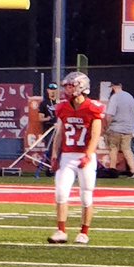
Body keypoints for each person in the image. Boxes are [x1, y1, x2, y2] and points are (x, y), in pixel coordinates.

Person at [49, 71, 105, 245]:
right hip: (67, 155)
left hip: (84, 155)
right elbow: (60, 132)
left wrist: (88, 154)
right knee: (60, 193)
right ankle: (61, 231)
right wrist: (55, 153)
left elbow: (96, 134)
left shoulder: (92, 107)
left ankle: (84, 232)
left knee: (86, 195)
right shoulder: (63, 107)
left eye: (71, 85)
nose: (67, 89)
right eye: (67, 85)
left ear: (82, 87)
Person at [104, 81, 134, 178]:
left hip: (115, 128)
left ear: (112, 87)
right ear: (121, 85)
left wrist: (107, 127)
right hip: (128, 129)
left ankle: (112, 170)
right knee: (127, 149)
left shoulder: (115, 97)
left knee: (113, 149)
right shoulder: (130, 96)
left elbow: (109, 115)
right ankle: (133, 171)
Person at [35, 83, 59, 178]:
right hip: (49, 128)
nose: (53, 91)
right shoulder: (44, 103)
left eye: (55, 90)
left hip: (59, 128)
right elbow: (40, 118)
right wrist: (48, 119)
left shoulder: (59, 103)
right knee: (51, 148)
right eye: (51, 89)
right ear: (48, 90)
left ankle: (58, 168)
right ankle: (49, 168)